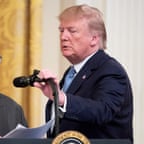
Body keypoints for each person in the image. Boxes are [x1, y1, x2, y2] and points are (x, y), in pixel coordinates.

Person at [34, 4, 133, 142]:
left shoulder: (110, 70)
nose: (63, 37)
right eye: (61, 30)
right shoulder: (71, 72)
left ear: (94, 38)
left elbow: (103, 111)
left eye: (72, 31)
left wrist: (62, 98)